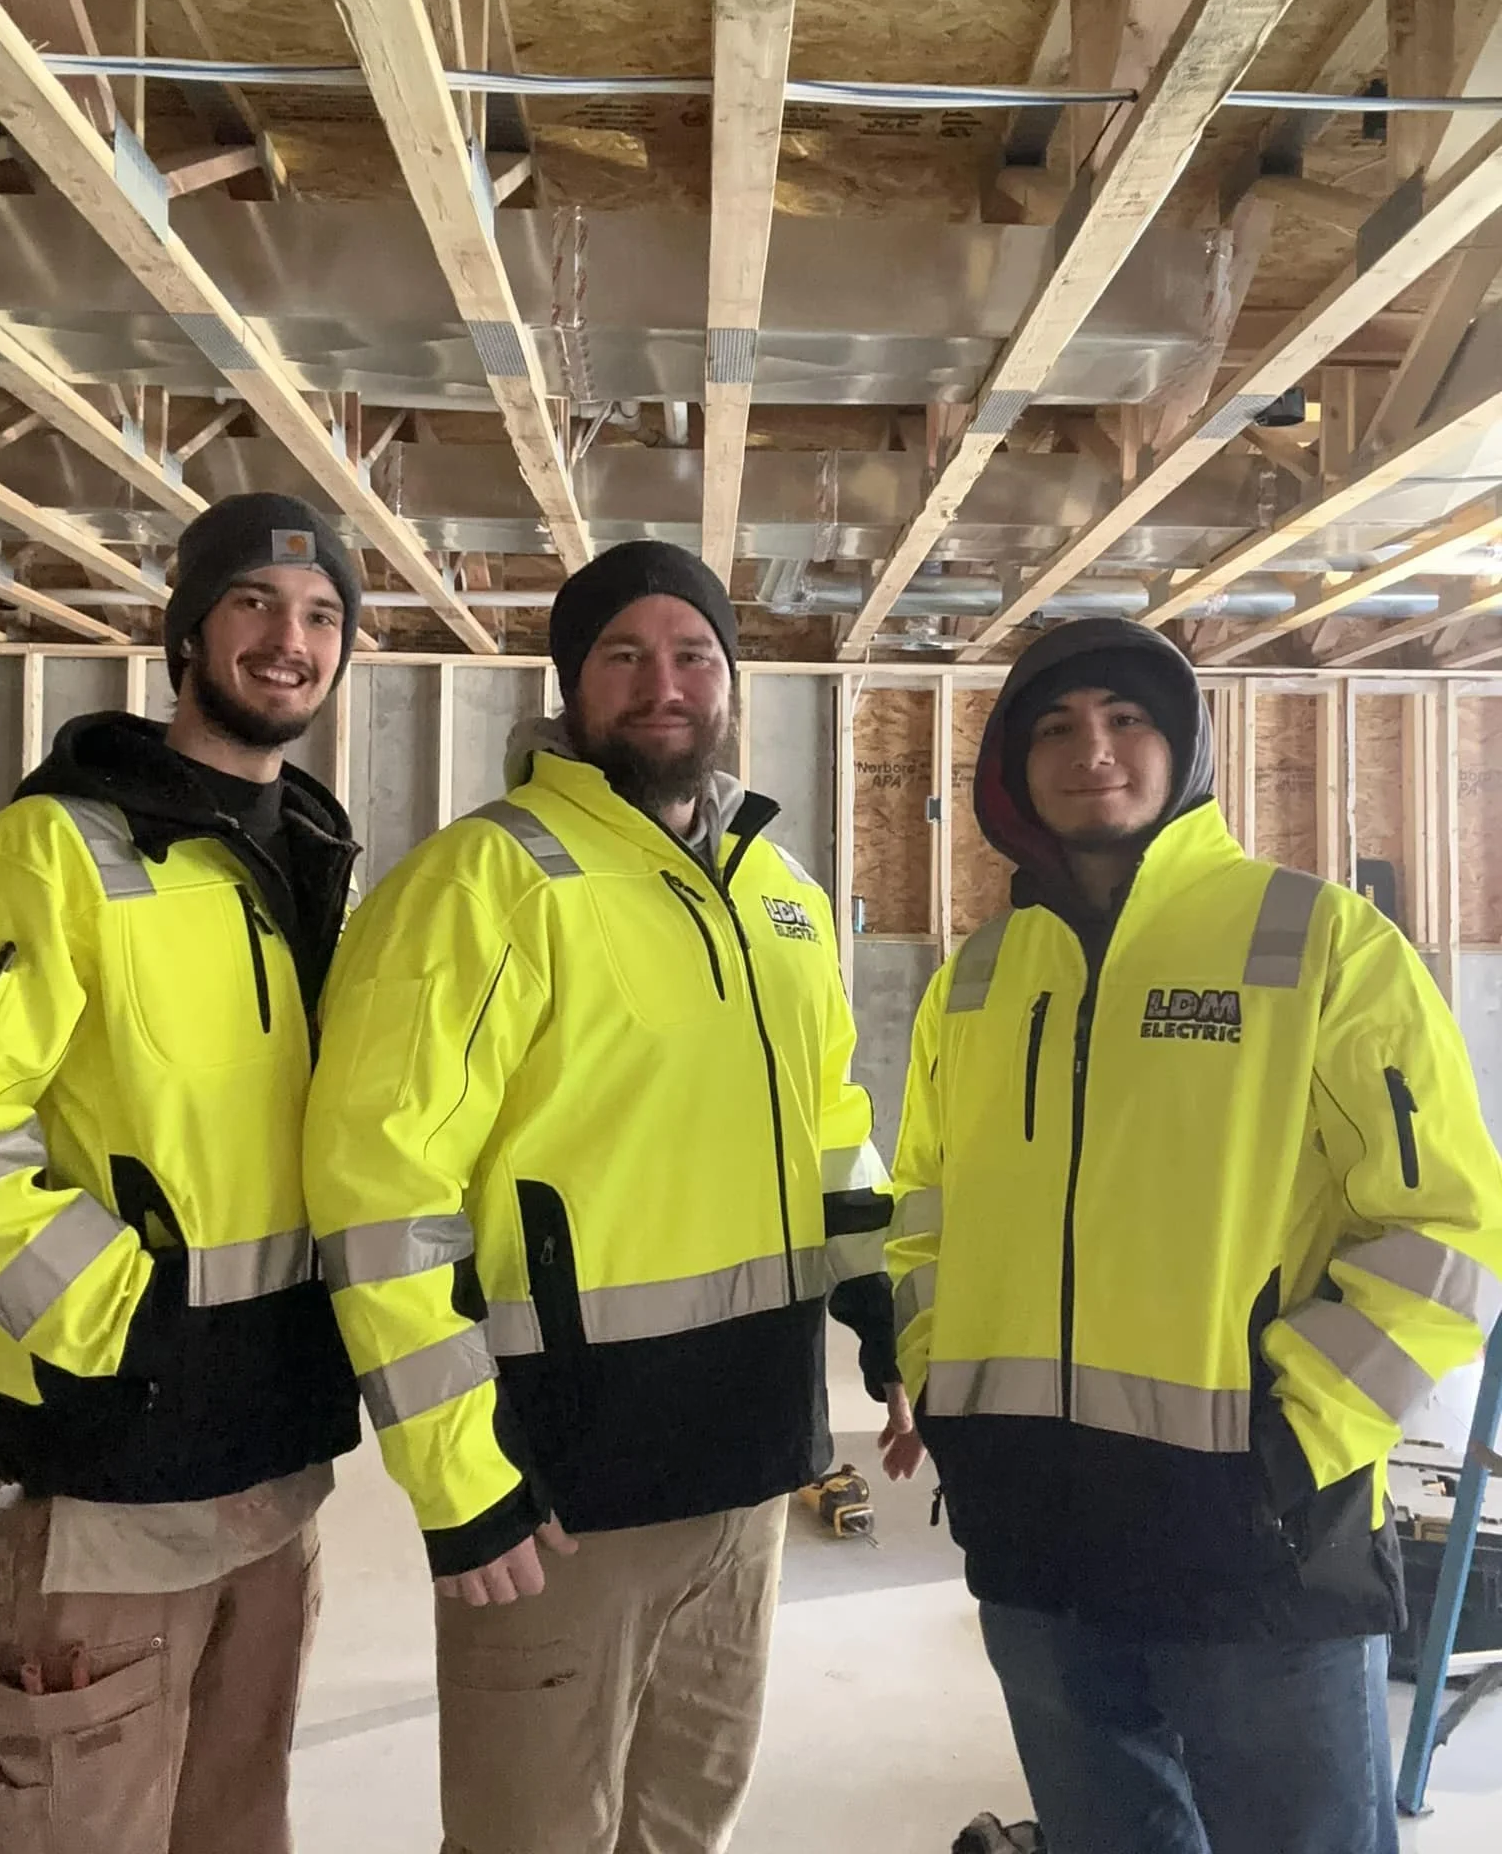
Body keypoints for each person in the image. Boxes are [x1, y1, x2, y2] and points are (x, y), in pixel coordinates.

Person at [305, 539, 909, 1854]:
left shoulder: (781, 898)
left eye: (694, 654)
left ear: (733, 682)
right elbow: (378, 1198)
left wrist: (893, 1318)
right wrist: (460, 1480)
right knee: (534, 1837)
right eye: (624, 655)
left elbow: (834, 1138)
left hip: (750, 1471)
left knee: (688, 1821)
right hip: (560, 1492)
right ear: (569, 687)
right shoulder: (483, 884)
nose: (665, 682)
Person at [886, 617, 1502, 1854]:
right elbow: (924, 1211)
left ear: (1187, 745)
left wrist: (1300, 1428)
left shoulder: (1316, 940)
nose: (1092, 749)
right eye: (1054, 725)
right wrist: (940, 1385)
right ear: (1012, 764)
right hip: (1036, 1532)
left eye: (1127, 718)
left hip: (1258, 1537)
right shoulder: (978, 975)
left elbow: (1447, 1223)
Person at [0, 492, 364, 1854]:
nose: (288, 638)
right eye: (252, 601)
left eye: (322, 616)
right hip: (110, 1482)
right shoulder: (63, 847)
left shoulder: (310, 859)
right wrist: (107, 1317)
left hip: (276, 1473)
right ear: (185, 631)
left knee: (238, 1829)